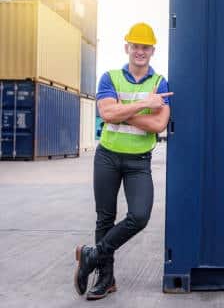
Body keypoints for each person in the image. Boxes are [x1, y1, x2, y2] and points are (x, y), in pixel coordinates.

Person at [74, 23, 173, 300]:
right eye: (135, 45)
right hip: (107, 156)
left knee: (140, 216)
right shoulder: (110, 77)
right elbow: (106, 113)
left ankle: (91, 256)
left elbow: (158, 124)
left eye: (145, 47)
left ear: (152, 50)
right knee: (105, 218)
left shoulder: (159, 83)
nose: (140, 51)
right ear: (126, 47)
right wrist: (143, 104)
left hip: (138, 161)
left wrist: (122, 111)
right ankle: (106, 279)